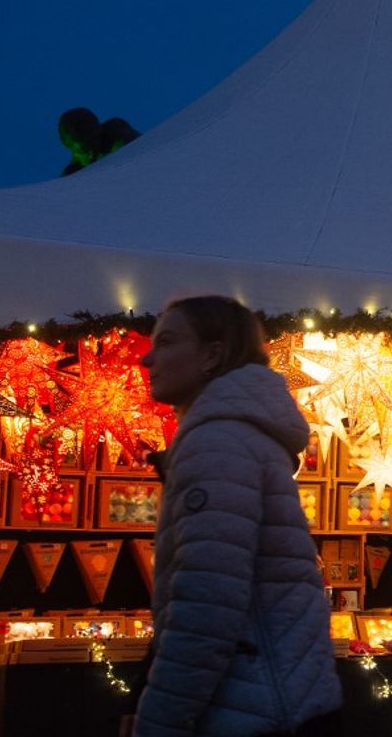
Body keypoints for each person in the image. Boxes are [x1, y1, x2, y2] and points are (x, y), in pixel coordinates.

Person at [130, 295, 342, 736]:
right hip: (274, 697)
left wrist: (158, 724)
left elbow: (206, 608)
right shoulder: (237, 435)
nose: (148, 357)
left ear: (213, 353)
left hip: (251, 706)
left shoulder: (218, 443)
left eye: (167, 341)